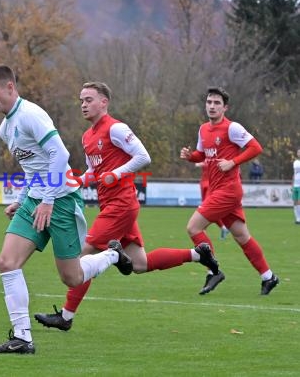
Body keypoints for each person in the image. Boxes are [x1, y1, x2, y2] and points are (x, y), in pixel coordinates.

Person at [34, 82, 221, 332]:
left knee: (82, 257)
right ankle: (198, 254)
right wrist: (76, 181)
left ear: (104, 102)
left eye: (89, 99)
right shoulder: (87, 136)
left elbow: (143, 156)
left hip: (121, 204)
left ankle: (66, 317)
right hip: (113, 205)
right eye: (81, 100)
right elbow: (93, 171)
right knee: (140, 264)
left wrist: (117, 174)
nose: (83, 105)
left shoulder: (116, 128)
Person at [0, 66, 132, 355]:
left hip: (60, 200)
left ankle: (113, 254)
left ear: (10, 87)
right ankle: (23, 338)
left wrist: (48, 200)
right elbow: (32, 168)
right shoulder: (5, 128)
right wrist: (23, 198)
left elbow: (60, 154)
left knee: (71, 277)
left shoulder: (30, 115)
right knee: (7, 262)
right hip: (35, 201)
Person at [180, 86, 279, 295]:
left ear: (225, 108)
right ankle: (268, 277)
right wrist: (190, 156)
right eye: (209, 102)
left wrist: (233, 162)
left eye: (217, 103)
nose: (212, 106)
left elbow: (256, 147)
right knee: (242, 237)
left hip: (228, 190)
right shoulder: (203, 129)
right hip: (219, 189)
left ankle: (213, 271)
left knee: (193, 228)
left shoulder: (232, 128)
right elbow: (202, 154)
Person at [196, 161, 230, 240]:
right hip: (204, 184)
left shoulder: (213, 158)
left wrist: (202, 163)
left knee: (206, 208)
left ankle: (202, 230)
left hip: (209, 184)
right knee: (206, 208)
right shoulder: (206, 155)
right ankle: (223, 227)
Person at [293, 149, 300, 224]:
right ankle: (297, 218)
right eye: (298, 152)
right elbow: (294, 174)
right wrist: (292, 184)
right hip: (295, 185)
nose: (299, 153)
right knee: (295, 202)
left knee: (299, 202)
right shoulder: (295, 162)